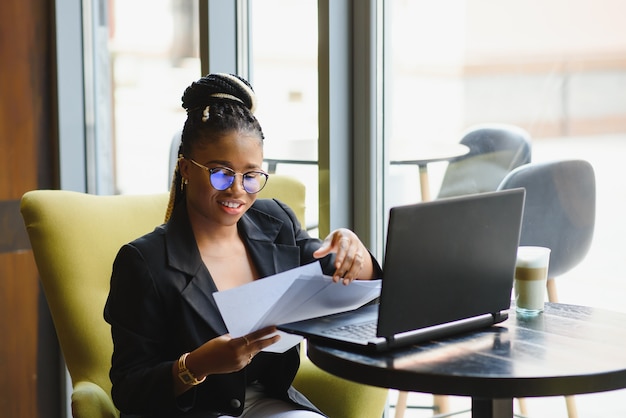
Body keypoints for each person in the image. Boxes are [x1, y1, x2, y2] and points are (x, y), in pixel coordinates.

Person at [104, 73, 382, 418]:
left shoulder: (275, 221)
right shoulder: (144, 262)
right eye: (220, 173)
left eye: (251, 176)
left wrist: (355, 252)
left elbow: (341, 276)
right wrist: (194, 366)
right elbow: (129, 391)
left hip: (266, 404)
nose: (237, 190)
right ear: (185, 169)